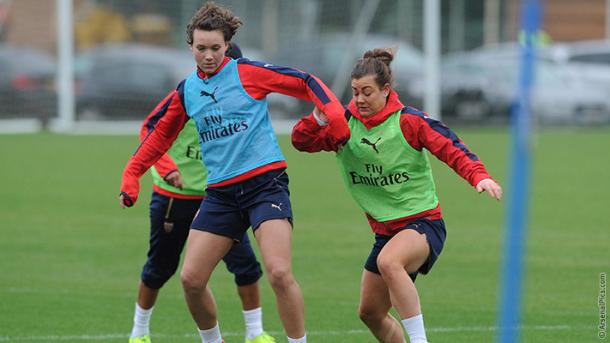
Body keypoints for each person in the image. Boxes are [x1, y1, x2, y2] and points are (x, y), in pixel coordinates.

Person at [118, 3, 349, 343]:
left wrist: (334, 113)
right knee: (191, 280)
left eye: (215, 48)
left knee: (279, 272)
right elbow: (159, 136)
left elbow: (305, 82)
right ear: (191, 48)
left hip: (264, 186)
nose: (208, 55)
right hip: (221, 195)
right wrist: (132, 174)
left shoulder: (248, 73)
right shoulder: (187, 91)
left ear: (227, 45)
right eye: (201, 48)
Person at [291, 48, 503, 343]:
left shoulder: (409, 121)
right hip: (385, 231)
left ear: (386, 90)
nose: (360, 99)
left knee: (389, 262)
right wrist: (319, 115)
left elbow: (451, 147)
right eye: (355, 93)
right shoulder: (345, 126)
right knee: (370, 313)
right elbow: (301, 141)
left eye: (367, 92)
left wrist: (479, 175)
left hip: (423, 223)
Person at [127, 44, 275, 343]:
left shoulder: (240, 99)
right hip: (175, 197)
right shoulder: (187, 93)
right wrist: (167, 167)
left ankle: (255, 333)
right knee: (161, 266)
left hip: (220, 197)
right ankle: (139, 332)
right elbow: (149, 130)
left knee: (245, 265)